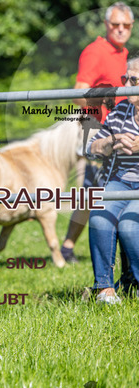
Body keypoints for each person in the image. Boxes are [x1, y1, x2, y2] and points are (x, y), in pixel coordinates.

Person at [61, 2, 134, 263]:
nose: (121, 29)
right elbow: (79, 93)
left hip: (123, 133)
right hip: (102, 134)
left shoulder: (125, 54)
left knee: (96, 193)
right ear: (106, 25)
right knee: (95, 193)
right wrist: (103, 120)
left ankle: (69, 246)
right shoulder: (95, 51)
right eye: (115, 24)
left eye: (126, 25)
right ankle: (69, 247)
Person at [85, 57, 139, 304]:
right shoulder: (120, 111)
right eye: (124, 79)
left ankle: (134, 282)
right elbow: (90, 148)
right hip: (122, 181)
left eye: (133, 80)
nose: (126, 85)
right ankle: (105, 289)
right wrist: (109, 142)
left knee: (129, 225)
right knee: (99, 216)